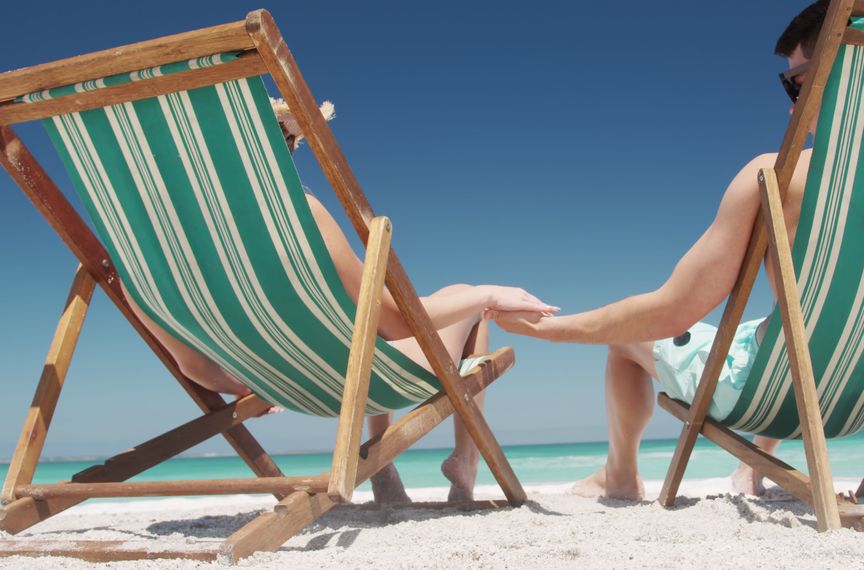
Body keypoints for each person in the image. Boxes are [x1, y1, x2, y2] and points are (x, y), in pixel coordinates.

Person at [493, 0, 864, 500]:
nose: (791, 103)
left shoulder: (778, 176)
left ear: (852, 70)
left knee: (630, 343)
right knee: (782, 330)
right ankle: (749, 468)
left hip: (781, 401)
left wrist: (551, 330)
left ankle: (620, 475)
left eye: (798, 82)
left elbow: (672, 313)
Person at [122, 97, 558, 505]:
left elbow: (194, 367)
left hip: (285, 385)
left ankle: (387, 473)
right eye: (288, 144)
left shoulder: (133, 254)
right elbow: (394, 321)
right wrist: (490, 293)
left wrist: (245, 386)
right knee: (466, 299)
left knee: (415, 312)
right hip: (352, 384)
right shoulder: (297, 214)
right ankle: (464, 465)